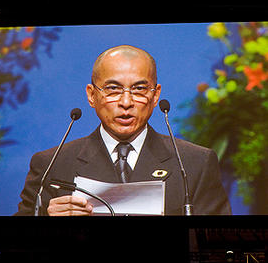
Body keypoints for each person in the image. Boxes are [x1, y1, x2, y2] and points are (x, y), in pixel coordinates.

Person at [15, 45, 232, 216]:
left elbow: (216, 244)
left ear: (155, 96)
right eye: (113, 89)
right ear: (92, 95)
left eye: (139, 89)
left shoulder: (194, 163)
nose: (126, 102)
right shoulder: (52, 164)